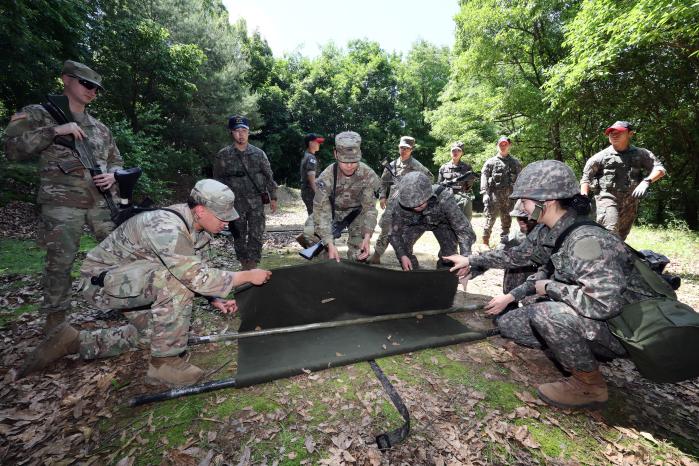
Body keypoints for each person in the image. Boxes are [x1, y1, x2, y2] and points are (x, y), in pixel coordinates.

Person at [447, 160, 667, 409]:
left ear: (547, 201)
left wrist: (549, 288)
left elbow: (603, 305)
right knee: (509, 324)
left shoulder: (587, 241)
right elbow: (517, 255)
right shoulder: (549, 229)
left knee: (546, 314)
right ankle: (578, 347)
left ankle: (589, 386)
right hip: (602, 319)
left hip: (625, 330)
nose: (521, 206)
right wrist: (469, 260)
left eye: (525, 200)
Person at [19, 179, 272, 386]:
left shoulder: (198, 228)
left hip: (133, 281)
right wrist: (248, 275)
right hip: (99, 282)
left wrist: (214, 298)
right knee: (174, 283)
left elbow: (199, 270)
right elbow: (193, 277)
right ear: (201, 210)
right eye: (222, 216)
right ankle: (164, 365)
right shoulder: (166, 227)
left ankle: (73, 341)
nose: (226, 222)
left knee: (155, 336)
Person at [3, 60, 123, 334]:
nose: (92, 91)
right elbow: (11, 148)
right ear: (65, 79)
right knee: (60, 263)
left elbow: (117, 160)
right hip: (61, 202)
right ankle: (56, 326)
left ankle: (126, 304)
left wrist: (114, 175)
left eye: (97, 88)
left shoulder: (100, 128)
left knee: (120, 252)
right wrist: (55, 131)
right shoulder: (39, 114)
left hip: (101, 203)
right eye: (87, 84)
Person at [580, 120, 666, 240]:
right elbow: (585, 179)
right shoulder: (600, 157)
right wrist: (583, 198)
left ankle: (611, 257)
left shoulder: (641, 154)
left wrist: (646, 181)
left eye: (619, 132)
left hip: (630, 203)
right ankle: (603, 257)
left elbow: (660, 169)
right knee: (609, 232)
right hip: (607, 200)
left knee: (620, 238)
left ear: (630, 134)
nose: (614, 135)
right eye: (611, 133)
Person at [213, 115, 278, 270]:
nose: (240, 134)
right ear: (231, 133)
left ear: (249, 132)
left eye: (244, 130)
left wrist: (273, 197)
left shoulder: (258, 154)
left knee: (256, 234)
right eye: (237, 131)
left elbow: (269, 176)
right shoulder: (223, 155)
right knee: (239, 236)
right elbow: (217, 181)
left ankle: (253, 265)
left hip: (256, 202)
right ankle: (244, 264)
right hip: (234, 204)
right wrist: (220, 204)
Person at [313, 131, 381, 262]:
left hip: (357, 215)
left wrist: (367, 237)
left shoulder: (368, 175)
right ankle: (327, 261)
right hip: (332, 213)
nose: (349, 166)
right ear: (335, 154)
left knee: (359, 253)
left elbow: (370, 209)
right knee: (310, 234)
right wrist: (329, 242)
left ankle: (356, 264)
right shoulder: (326, 177)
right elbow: (321, 212)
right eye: (345, 161)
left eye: (354, 161)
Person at [465, 200, 539, 317]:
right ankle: (510, 304)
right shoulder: (514, 237)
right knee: (511, 264)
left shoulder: (546, 234)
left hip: (540, 282)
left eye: (526, 219)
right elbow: (498, 255)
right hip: (519, 284)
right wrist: (472, 272)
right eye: (519, 218)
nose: (522, 222)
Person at [389, 172, 475, 271]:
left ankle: (444, 275)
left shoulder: (444, 197)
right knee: (403, 247)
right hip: (415, 224)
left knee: (449, 255)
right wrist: (402, 256)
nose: (416, 207)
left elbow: (463, 229)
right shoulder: (399, 203)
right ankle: (412, 275)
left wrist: (465, 258)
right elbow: (394, 234)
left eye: (420, 203)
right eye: (411, 206)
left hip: (442, 224)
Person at [370, 136, 432, 264]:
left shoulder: (416, 165)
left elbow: (430, 179)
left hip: (408, 205)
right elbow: (383, 182)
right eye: (402, 147)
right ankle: (376, 255)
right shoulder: (391, 165)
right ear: (398, 148)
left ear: (411, 150)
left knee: (407, 231)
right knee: (386, 228)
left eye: (407, 148)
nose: (403, 150)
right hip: (392, 203)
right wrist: (382, 196)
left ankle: (406, 256)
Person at [480, 136, 522, 247]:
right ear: (497, 146)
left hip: (509, 197)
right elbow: (484, 176)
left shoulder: (515, 162)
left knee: (507, 220)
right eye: (501, 145)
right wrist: (484, 193)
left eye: (505, 145)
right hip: (494, 197)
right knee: (489, 219)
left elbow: (520, 179)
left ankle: (504, 243)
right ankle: (485, 242)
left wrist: (520, 195)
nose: (503, 147)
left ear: (509, 146)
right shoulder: (491, 162)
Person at [438, 141, 476, 221]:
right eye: (453, 150)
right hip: (447, 199)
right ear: (450, 152)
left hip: (463, 198)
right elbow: (439, 186)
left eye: (459, 150)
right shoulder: (443, 167)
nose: (456, 152)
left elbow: (469, 186)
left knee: (465, 222)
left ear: (462, 153)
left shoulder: (467, 168)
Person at [299, 133, 325, 214]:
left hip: (308, 192)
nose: (319, 144)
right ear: (311, 143)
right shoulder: (311, 158)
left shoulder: (307, 156)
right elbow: (311, 178)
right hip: (311, 192)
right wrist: (318, 193)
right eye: (317, 142)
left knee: (314, 217)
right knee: (316, 218)